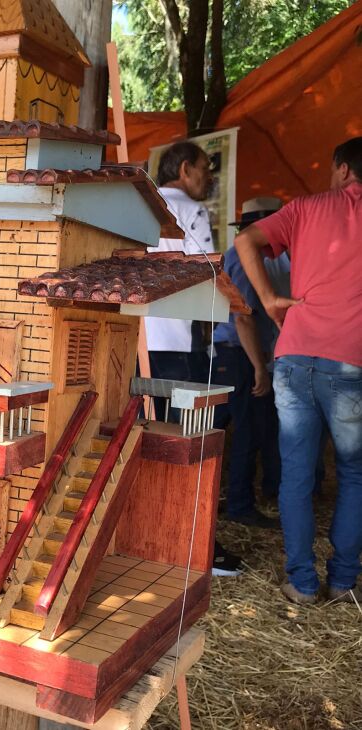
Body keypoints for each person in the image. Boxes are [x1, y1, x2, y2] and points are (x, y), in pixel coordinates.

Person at [235, 137, 362, 605]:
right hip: (352, 361)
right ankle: (345, 582)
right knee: (352, 474)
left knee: (296, 474)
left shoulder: (307, 207)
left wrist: (268, 299)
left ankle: (303, 583)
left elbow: (245, 239)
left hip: (293, 355)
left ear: (344, 169)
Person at [146, 141, 242, 577]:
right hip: (173, 343)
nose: (208, 179)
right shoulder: (191, 211)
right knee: (184, 441)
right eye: (204, 170)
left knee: (142, 438)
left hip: (135, 339)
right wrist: (238, 305)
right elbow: (207, 268)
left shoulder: (143, 200)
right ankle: (192, 543)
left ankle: (151, 530)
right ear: (184, 169)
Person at [213, 199, 283, 529]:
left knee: (220, 426)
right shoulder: (246, 256)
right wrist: (259, 366)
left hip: (231, 350)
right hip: (239, 351)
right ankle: (240, 504)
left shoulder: (234, 254)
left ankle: (222, 498)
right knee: (248, 431)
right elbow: (243, 318)